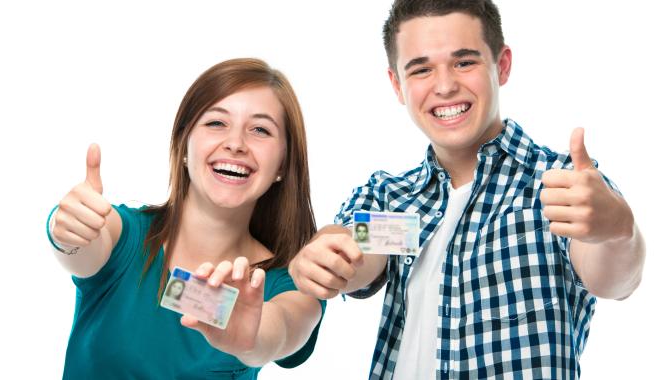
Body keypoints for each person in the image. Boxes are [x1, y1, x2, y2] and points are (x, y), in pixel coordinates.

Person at [289, 1, 645, 379]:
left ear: (502, 65)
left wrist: (619, 230)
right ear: (398, 85)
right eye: (422, 69)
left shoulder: (559, 185)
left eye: (464, 62)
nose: (444, 86)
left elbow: (614, 279)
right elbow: (362, 246)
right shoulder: (398, 207)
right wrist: (329, 250)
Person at [47, 58, 325, 379]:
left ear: (282, 164)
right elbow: (82, 244)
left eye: (260, 129)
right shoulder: (125, 236)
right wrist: (65, 229)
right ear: (183, 145)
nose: (235, 144)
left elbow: (281, 330)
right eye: (216, 123)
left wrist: (252, 337)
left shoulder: (290, 282)